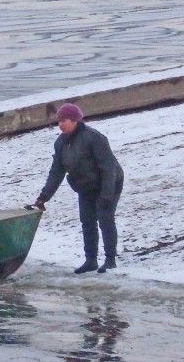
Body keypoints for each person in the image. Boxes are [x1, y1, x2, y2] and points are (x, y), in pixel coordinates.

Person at [34, 103, 124, 274]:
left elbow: (108, 167)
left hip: (109, 182)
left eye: (64, 120)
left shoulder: (94, 137)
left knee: (105, 219)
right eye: (59, 121)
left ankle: (110, 260)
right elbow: (56, 171)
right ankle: (91, 260)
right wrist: (44, 196)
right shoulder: (60, 143)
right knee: (87, 222)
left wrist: (107, 194)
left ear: (75, 120)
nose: (61, 124)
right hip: (85, 186)